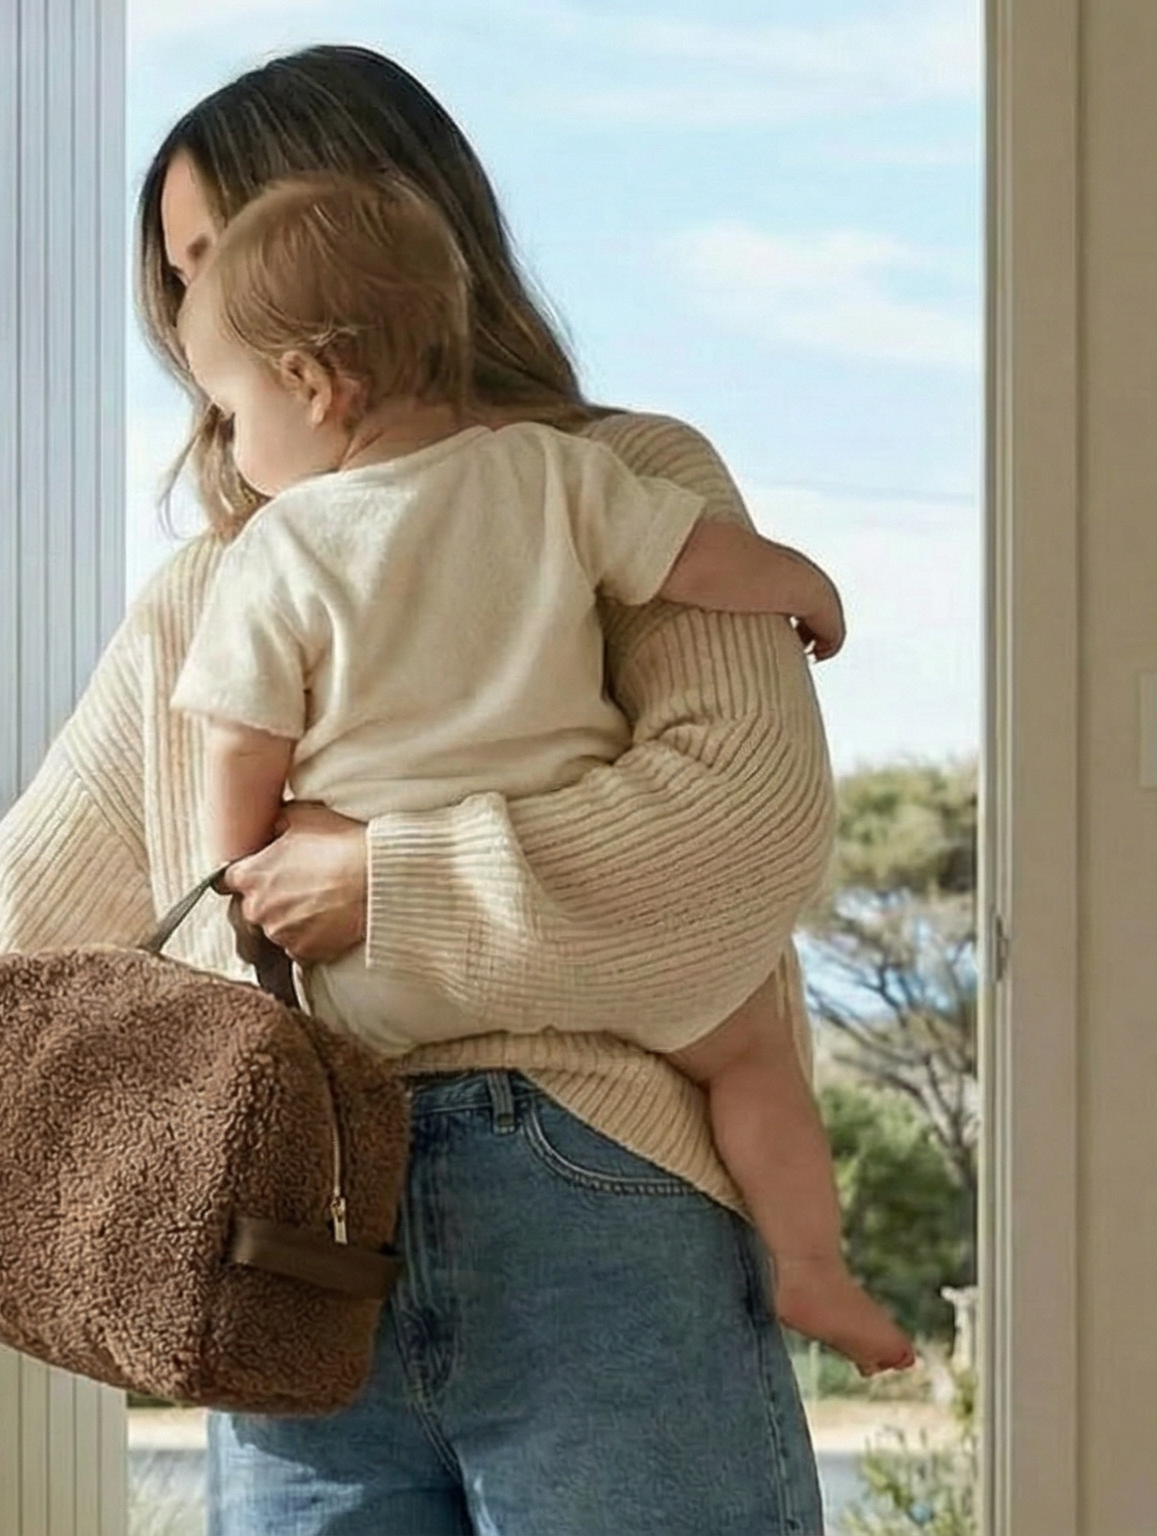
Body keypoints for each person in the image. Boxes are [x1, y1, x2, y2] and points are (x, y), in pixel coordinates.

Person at [0, 44, 843, 1534]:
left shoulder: (612, 482)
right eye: (184, 277)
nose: (206, 320)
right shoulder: (213, 591)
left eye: (233, 254)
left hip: (591, 1205)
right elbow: (4, 937)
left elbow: (740, 825)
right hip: (279, 1244)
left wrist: (380, 880)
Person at [174, 170, 912, 1377]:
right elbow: (697, 559)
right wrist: (809, 586)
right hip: (578, 946)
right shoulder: (551, 475)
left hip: (377, 972)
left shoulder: (279, 549)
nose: (226, 445)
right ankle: (813, 1268)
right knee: (750, 1048)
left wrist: (245, 873)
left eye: (226, 411)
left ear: (308, 383)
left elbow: (238, 738)